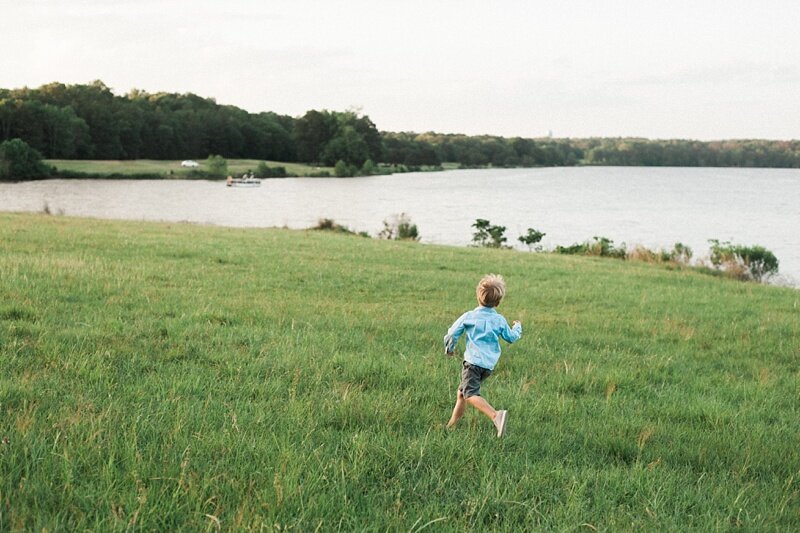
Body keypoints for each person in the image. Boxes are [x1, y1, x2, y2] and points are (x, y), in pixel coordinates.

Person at [444, 274, 522, 437]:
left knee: (470, 394)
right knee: (461, 393)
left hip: (472, 364)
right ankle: (451, 426)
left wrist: (449, 348)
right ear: (498, 302)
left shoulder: (470, 316)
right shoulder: (499, 320)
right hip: (488, 366)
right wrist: (518, 327)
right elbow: (511, 337)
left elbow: (452, 333)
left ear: (478, 296)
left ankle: (496, 415)